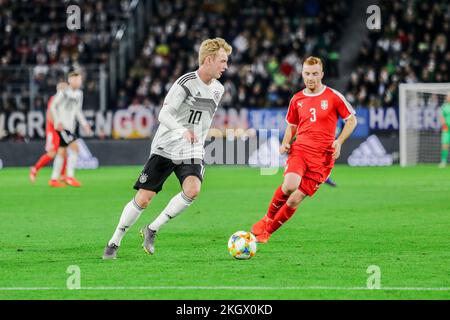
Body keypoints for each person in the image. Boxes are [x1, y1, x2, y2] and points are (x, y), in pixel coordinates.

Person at [103, 38, 232, 259]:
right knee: (144, 198)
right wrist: (182, 130)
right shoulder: (185, 83)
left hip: (192, 149)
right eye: (223, 61)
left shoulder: (218, 89)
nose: (226, 66)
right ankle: (114, 241)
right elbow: (163, 114)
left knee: (193, 190)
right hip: (166, 146)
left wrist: (197, 137)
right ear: (209, 60)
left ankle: (152, 229)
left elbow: (202, 119)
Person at [251, 56, 357, 243]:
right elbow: (291, 125)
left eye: (315, 74)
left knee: (294, 200)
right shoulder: (297, 99)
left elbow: (352, 120)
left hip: (323, 159)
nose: (311, 78)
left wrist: (339, 141)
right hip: (300, 150)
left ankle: (268, 232)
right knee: (290, 185)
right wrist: (285, 142)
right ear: (302, 74)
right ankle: (267, 218)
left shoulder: (333, 96)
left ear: (322, 74)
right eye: (307, 74)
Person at [49, 71, 92, 187]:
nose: (79, 82)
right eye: (77, 79)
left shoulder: (79, 94)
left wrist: (84, 124)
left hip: (70, 127)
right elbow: (53, 106)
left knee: (62, 152)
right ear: (70, 80)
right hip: (62, 127)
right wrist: (57, 121)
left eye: (80, 80)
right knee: (75, 149)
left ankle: (53, 179)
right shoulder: (64, 92)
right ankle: (69, 177)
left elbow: (78, 111)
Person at [29, 82, 68, 183]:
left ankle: (63, 175)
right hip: (52, 130)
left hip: (58, 130)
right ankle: (35, 169)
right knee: (52, 153)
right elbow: (50, 116)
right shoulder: (54, 99)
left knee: (64, 151)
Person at [439, 93, 450, 168]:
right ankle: (443, 161)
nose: (448, 97)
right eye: (448, 96)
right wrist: (444, 125)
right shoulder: (444, 106)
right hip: (447, 128)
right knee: (445, 145)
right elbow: (441, 116)